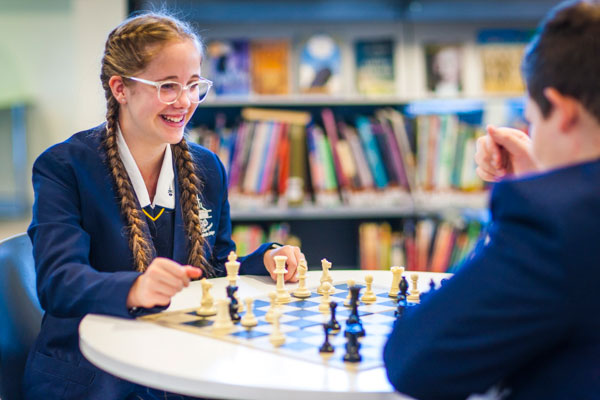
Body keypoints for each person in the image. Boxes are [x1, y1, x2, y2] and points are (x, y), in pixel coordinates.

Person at [23, 12, 303, 400]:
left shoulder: (207, 166)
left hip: (178, 364)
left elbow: (214, 264)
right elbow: (59, 283)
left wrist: (266, 259)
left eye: (193, 85)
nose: (185, 102)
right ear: (120, 89)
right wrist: (135, 288)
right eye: (167, 86)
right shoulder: (64, 166)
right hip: (90, 376)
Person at [384, 1, 600, 399]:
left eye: (534, 119)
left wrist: (538, 194)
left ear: (564, 111)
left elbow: (412, 360)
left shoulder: (556, 221)